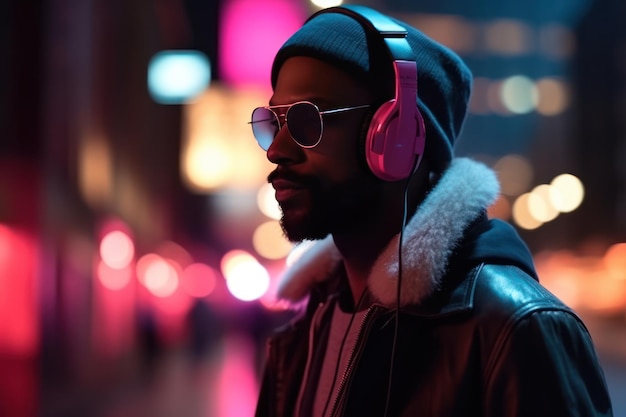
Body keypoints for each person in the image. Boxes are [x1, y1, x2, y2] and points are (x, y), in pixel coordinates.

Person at [249, 4, 613, 417]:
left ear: (394, 137)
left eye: (305, 120)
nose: (277, 150)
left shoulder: (516, 329)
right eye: (274, 123)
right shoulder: (305, 332)